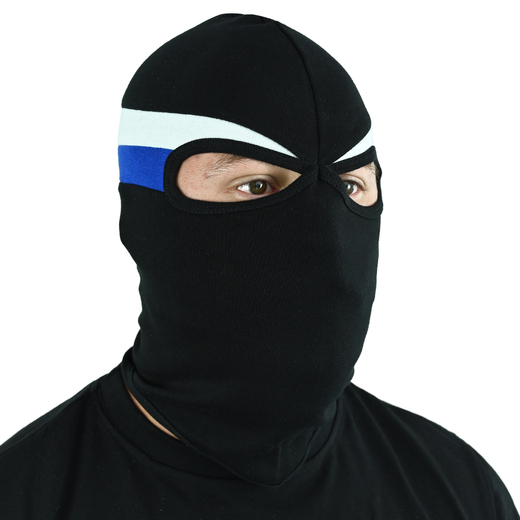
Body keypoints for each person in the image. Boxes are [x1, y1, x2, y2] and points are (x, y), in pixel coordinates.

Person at [0, 13, 517, 519]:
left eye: (349, 185)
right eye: (255, 185)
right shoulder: (22, 496)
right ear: (145, 211)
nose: (325, 239)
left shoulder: (459, 492)